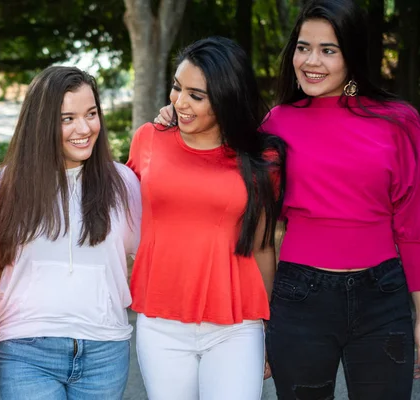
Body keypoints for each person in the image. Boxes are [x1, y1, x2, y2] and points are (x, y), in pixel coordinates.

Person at [160, 1, 420, 398]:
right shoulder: (276, 123)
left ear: (352, 52)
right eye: (303, 47)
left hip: (383, 298)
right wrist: (176, 119)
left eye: (328, 50)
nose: (311, 61)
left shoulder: (398, 120)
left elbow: (412, 225)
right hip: (301, 299)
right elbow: (220, 175)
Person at [130, 36, 285, 399]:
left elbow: (262, 248)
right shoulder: (149, 139)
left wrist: (269, 327)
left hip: (236, 326)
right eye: (176, 88)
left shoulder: (262, 159)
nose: (180, 102)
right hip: (161, 322)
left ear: (226, 99)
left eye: (195, 95)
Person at [0, 66, 141, 400]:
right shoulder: (3, 185)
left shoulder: (123, 183)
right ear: (41, 123)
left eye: (91, 114)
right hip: (25, 349)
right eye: (67, 118)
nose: (84, 128)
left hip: (105, 349)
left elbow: (142, 257)